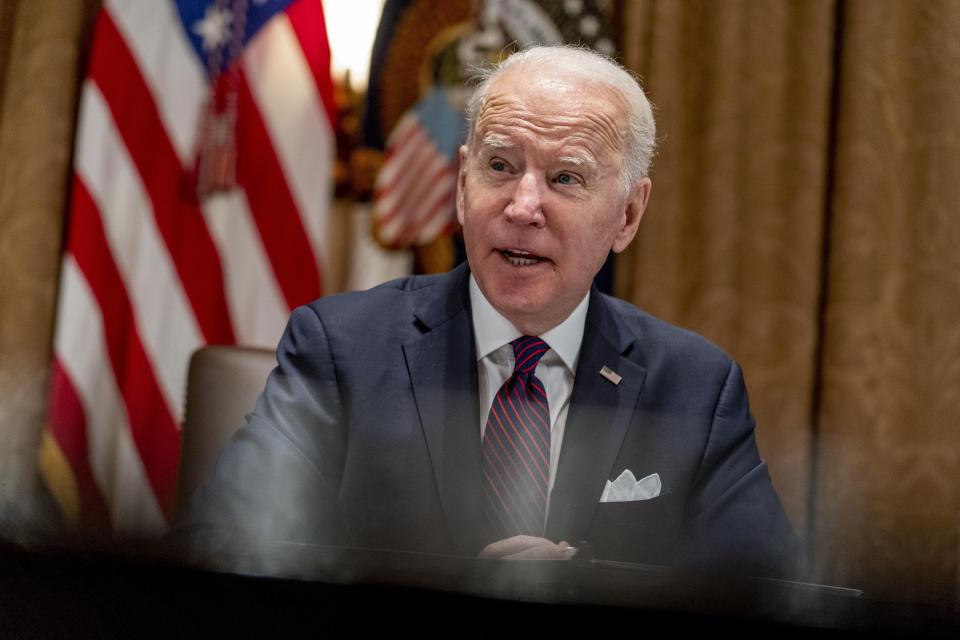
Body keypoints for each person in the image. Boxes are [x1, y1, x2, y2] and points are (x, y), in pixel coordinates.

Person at [176, 45, 799, 578]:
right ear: (461, 183)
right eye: (500, 166)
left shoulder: (695, 386)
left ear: (628, 216)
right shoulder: (341, 349)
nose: (523, 206)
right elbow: (222, 550)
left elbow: (769, 598)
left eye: (565, 178)